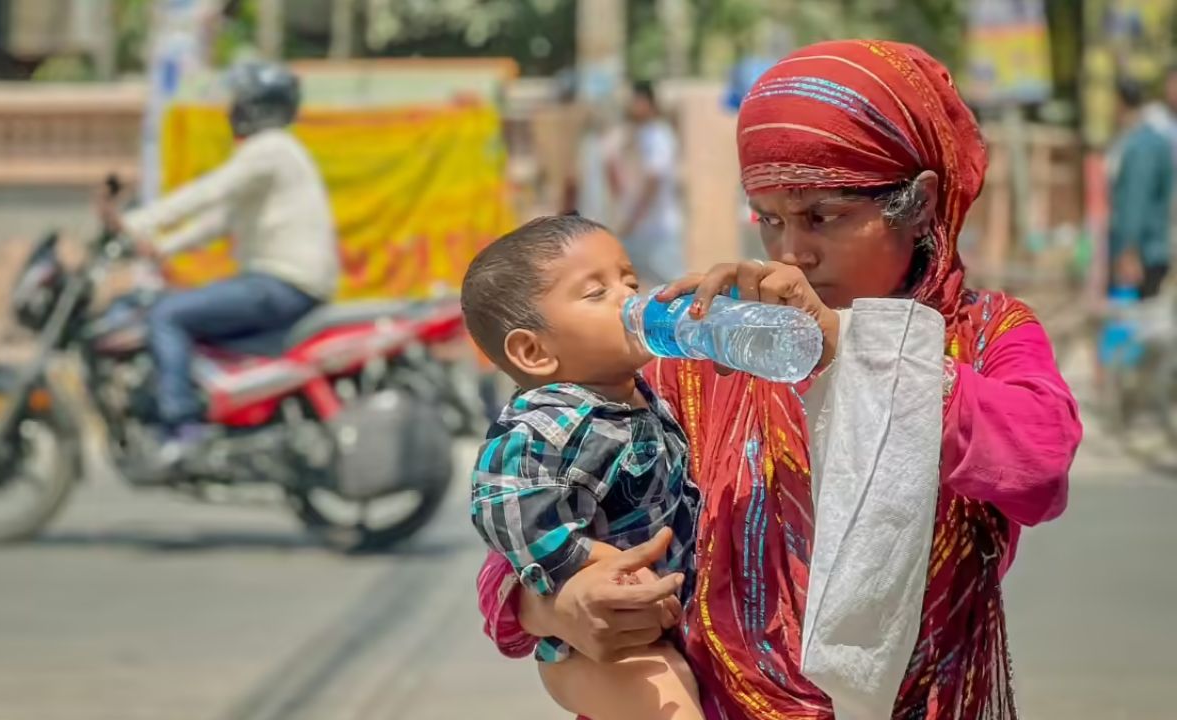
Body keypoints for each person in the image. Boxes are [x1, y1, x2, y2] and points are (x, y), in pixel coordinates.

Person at [475, 40, 1082, 719]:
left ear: (918, 204)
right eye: (768, 219)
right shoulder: (710, 351)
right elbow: (523, 544)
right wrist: (559, 606)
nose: (792, 252)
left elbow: (1039, 466)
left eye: (822, 217)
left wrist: (849, 351)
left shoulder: (983, 335)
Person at [461, 215, 703, 720]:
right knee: (672, 702)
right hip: (598, 648)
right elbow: (504, 506)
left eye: (630, 281)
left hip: (653, 624)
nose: (629, 299)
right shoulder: (549, 422)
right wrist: (590, 563)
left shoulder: (632, 393)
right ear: (533, 351)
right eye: (597, 293)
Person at [99, 61, 339, 461]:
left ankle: (182, 426)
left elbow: (211, 192)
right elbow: (220, 221)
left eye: (239, 100)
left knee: (166, 315)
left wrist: (136, 223)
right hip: (283, 284)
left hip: (280, 284)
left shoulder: (272, 149)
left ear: (257, 106)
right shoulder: (277, 155)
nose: (233, 109)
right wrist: (162, 248)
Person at [614, 81, 685, 289]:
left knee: (675, 285)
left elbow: (654, 180)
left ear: (646, 102)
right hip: (641, 229)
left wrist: (634, 218)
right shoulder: (640, 134)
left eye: (635, 101)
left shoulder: (659, 135)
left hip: (657, 228)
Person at [1110, 77, 1174, 298]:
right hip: (1151, 249)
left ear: (1120, 104)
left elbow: (1135, 199)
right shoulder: (1152, 140)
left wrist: (1129, 251)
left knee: (1137, 313)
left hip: (1142, 254)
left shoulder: (1141, 147)